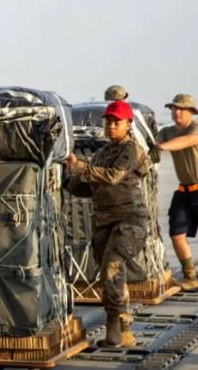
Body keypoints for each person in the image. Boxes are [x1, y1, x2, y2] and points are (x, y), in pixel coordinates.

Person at [64, 100, 150, 347]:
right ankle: (121, 329)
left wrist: (80, 165)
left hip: (129, 220)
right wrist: (65, 177)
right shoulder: (102, 153)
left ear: (128, 124)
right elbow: (87, 188)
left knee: (112, 266)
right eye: (108, 122)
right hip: (103, 222)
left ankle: (118, 328)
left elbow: (112, 177)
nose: (111, 126)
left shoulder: (131, 150)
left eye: (117, 122)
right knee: (109, 275)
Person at [153, 93, 198, 291]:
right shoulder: (167, 132)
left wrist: (160, 148)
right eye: (174, 108)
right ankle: (190, 276)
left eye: (182, 109)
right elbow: (150, 144)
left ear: (191, 113)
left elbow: (186, 141)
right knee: (176, 233)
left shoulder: (195, 129)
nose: (177, 112)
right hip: (184, 190)